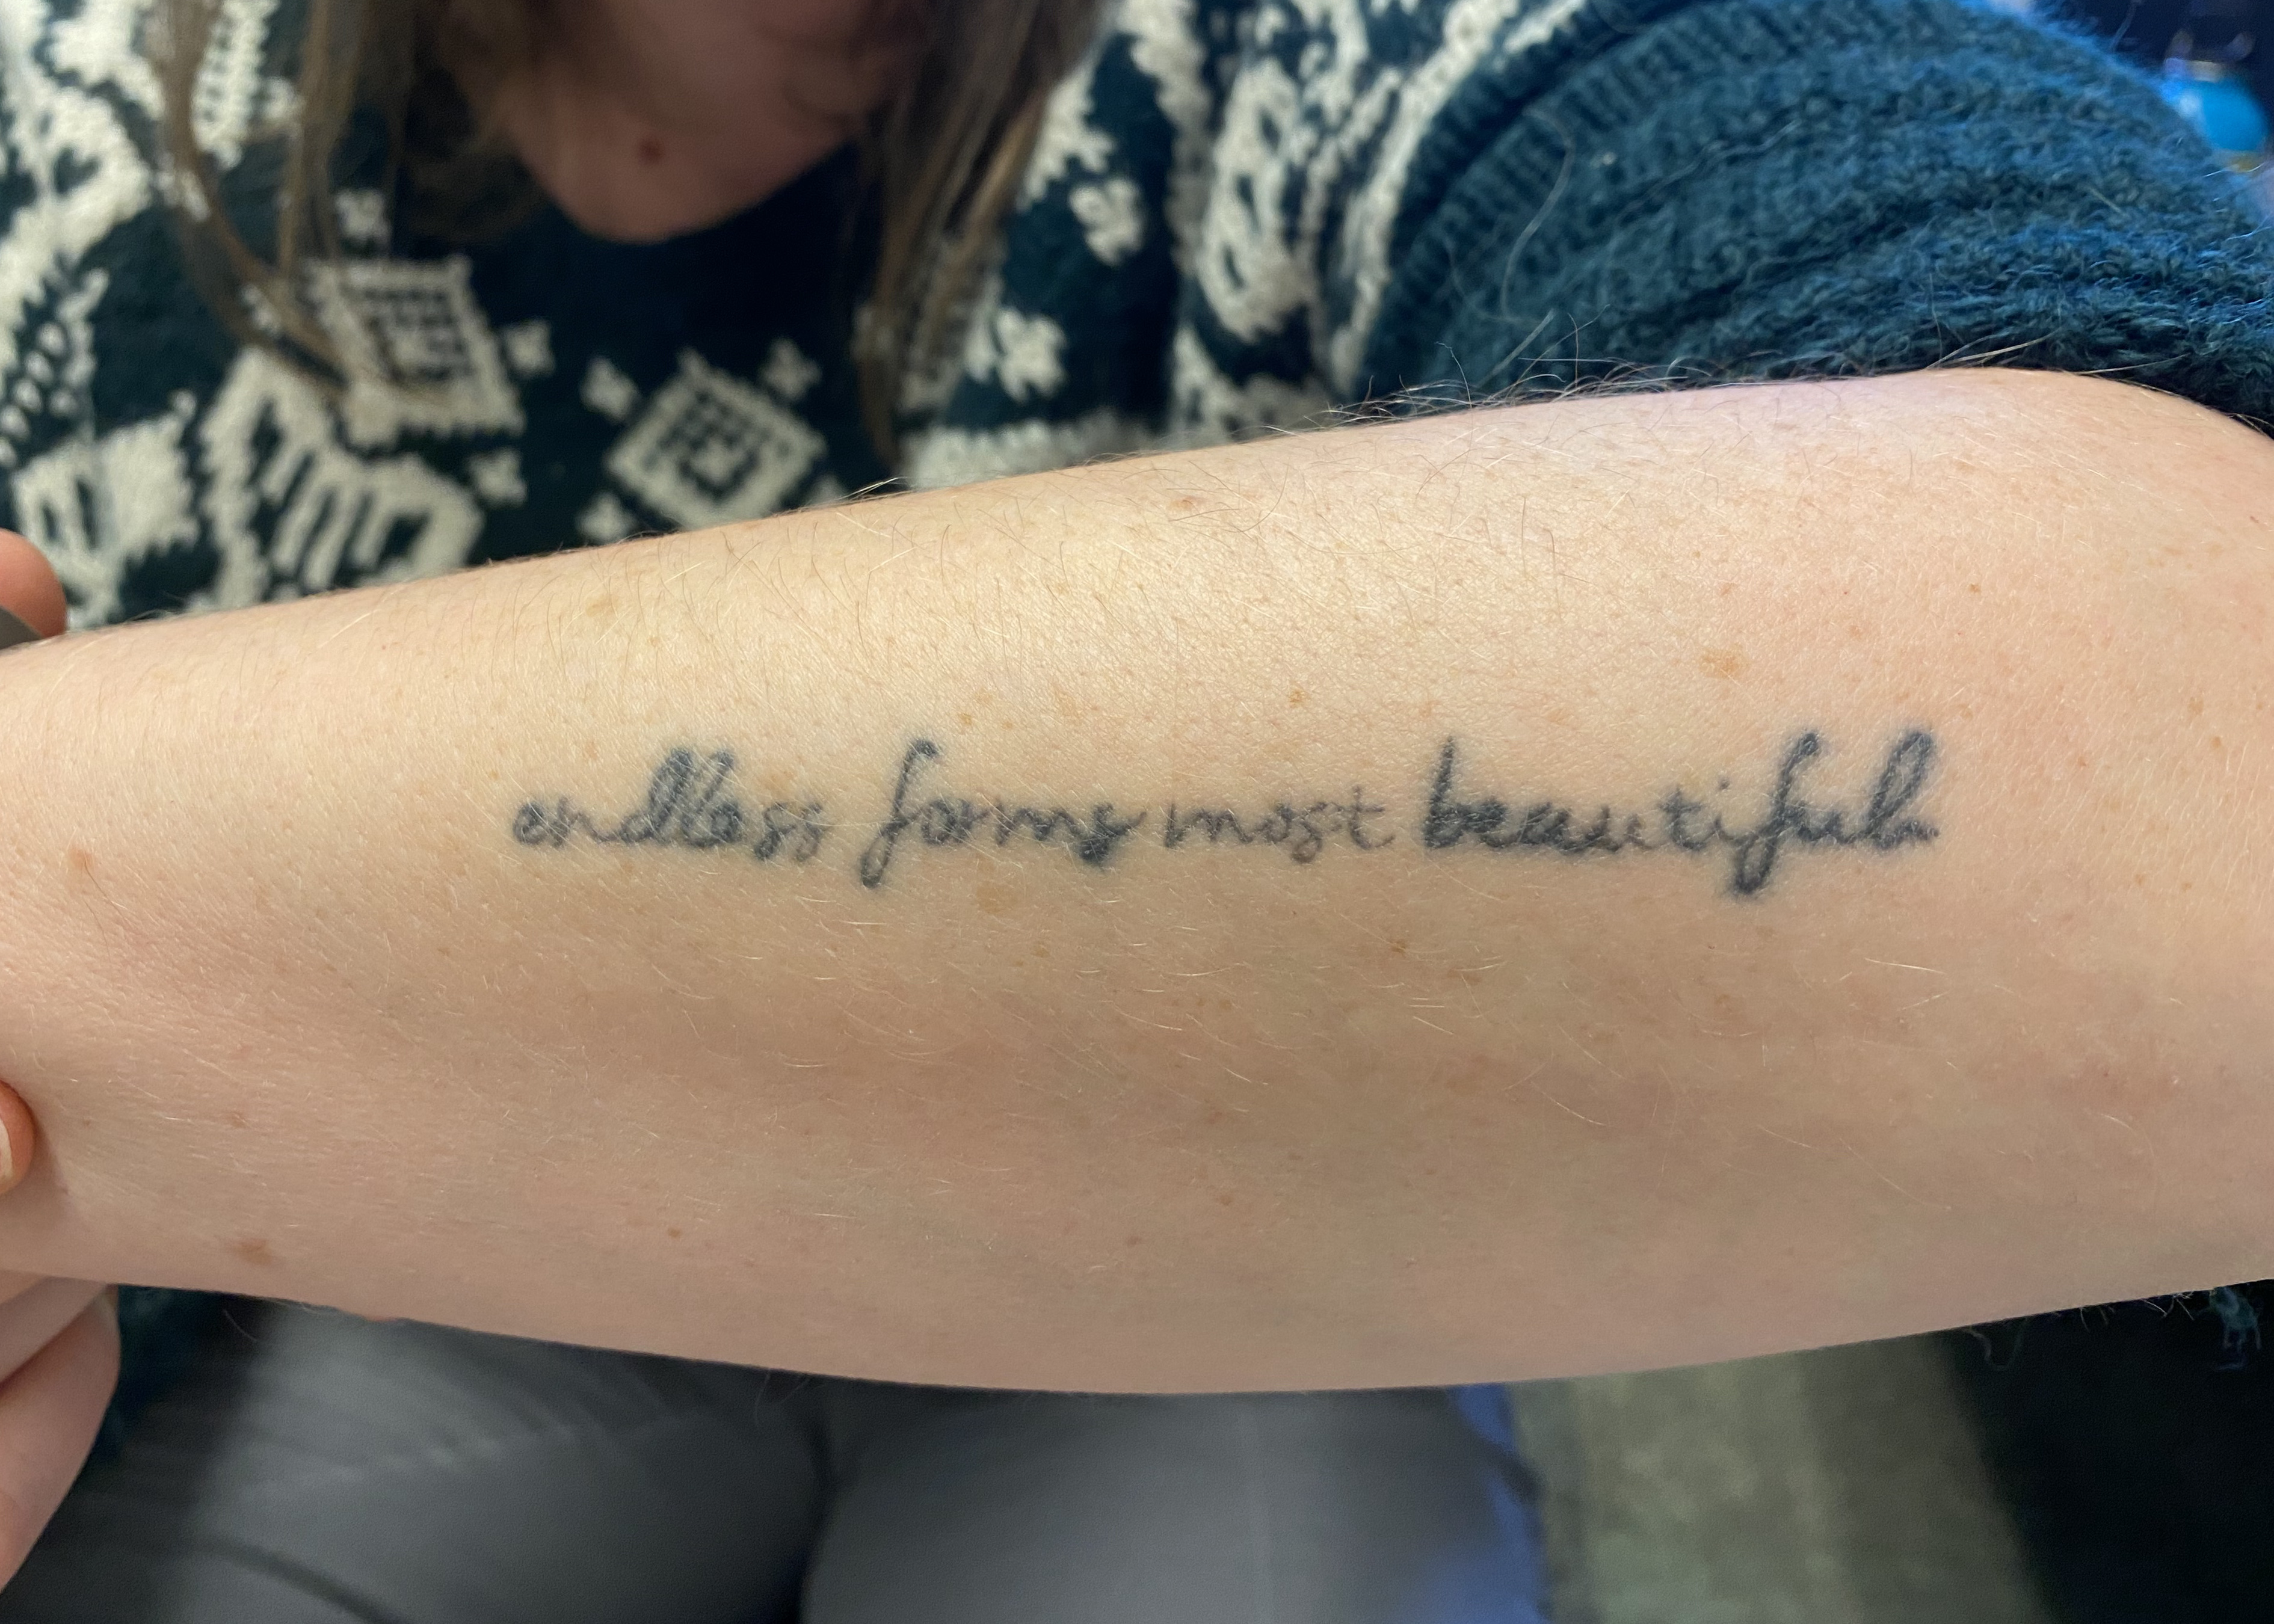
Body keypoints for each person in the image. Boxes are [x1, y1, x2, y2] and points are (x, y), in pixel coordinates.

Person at [0, 0, 2270, 1614]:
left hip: (1211, 1285)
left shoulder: (1307, 53)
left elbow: (2187, 746)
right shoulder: (78, 140)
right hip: (432, 1284)